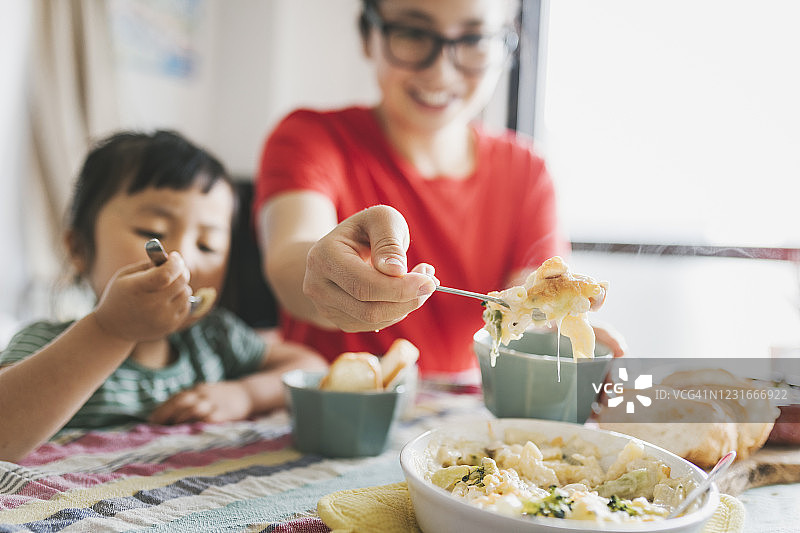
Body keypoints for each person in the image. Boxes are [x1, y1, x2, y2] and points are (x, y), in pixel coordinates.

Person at [255, 0, 625, 380]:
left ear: (503, 45)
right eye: (414, 33)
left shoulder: (527, 171)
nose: (441, 71)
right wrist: (321, 271)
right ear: (368, 35)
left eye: (473, 38)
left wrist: (563, 335)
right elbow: (290, 263)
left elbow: (532, 306)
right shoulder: (310, 139)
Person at [0, 131, 327, 462]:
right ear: (79, 249)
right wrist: (111, 329)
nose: (181, 258)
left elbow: (309, 364)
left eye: (207, 245)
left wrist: (245, 394)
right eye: (152, 233)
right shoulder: (44, 346)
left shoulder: (214, 341)